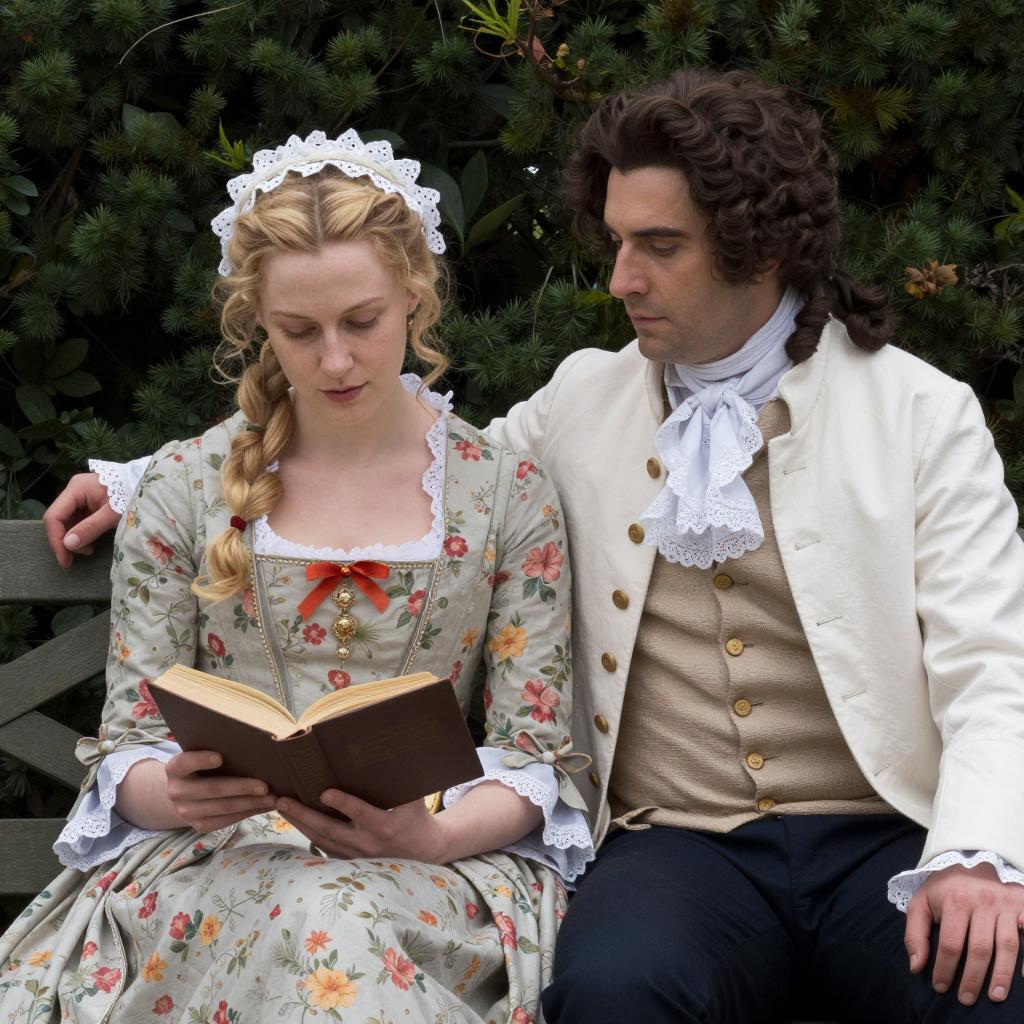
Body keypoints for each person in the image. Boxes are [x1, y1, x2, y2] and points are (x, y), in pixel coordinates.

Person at [41, 71, 1024, 1022]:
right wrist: (145, 481)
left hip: (886, 837)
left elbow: (992, 664)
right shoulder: (587, 400)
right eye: (616, 241)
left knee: (991, 989)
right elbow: (393, 454)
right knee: (612, 993)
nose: (620, 277)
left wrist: (976, 851)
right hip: (681, 850)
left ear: (759, 245)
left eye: (658, 246)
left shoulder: (918, 414)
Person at [2, 129, 594, 1024]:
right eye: (298, 331)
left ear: (414, 295)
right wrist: (175, 791)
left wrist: (432, 834)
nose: (335, 360)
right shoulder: (187, 489)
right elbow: (129, 742)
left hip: (434, 867)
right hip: (212, 869)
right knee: (313, 915)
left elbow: (530, 753)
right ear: (257, 321)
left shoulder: (505, 493)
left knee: (333, 922)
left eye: (362, 321)